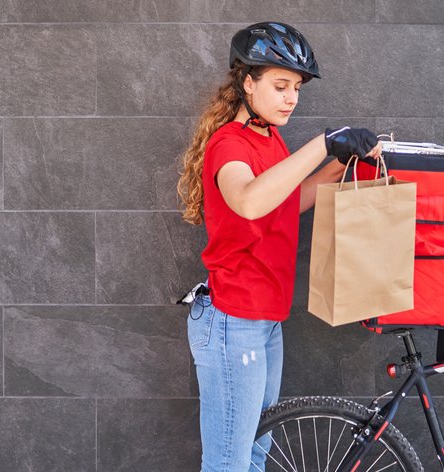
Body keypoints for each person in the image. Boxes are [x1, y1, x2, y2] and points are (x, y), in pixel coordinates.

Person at [176, 22, 382, 471]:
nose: (291, 97)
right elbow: (249, 202)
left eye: (296, 89)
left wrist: (340, 163)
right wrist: (322, 142)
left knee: (255, 452)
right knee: (229, 463)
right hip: (234, 322)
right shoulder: (229, 145)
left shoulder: (269, 137)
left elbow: (288, 201)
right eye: (280, 85)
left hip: (264, 319)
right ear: (248, 82)